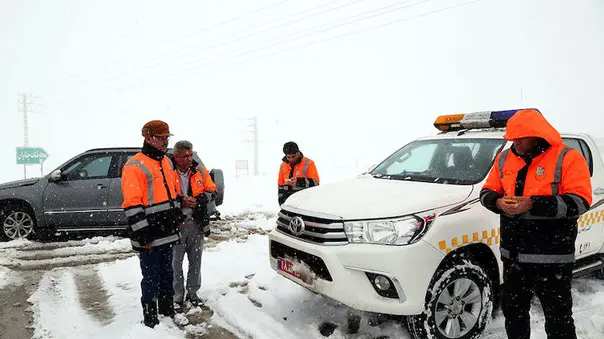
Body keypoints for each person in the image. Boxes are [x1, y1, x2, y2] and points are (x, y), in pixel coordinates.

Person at [480, 109, 592, 339]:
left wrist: (532, 204)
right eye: (512, 138)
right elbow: (486, 191)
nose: (516, 143)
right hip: (513, 258)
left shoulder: (567, 157)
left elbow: (580, 202)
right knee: (514, 315)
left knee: (558, 320)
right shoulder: (504, 159)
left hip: (552, 259)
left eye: (521, 138)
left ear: (538, 135)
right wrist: (498, 202)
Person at [121, 120, 186, 328]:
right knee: (150, 276)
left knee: (168, 272)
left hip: (166, 230)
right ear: (148, 138)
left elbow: (173, 193)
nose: (165, 142)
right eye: (161, 138)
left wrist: (177, 215)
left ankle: (167, 311)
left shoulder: (167, 162)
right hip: (149, 232)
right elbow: (132, 203)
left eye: (167, 138)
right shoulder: (134, 165)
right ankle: (150, 319)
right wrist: (142, 232)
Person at [169, 140, 217, 312]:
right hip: (176, 223)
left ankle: (193, 294)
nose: (189, 159)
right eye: (185, 156)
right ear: (176, 157)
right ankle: (176, 297)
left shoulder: (200, 170)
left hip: (196, 222)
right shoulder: (167, 171)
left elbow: (212, 190)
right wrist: (180, 201)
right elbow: (162, 196)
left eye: (190, 155)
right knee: (175, 263)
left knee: (196, 261)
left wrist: (200, 200)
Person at [278, 141, 320, 205]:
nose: (291, 159)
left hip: (304, 201)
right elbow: (280, 184)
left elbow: (315, 183)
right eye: (288, 157)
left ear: (298, 153)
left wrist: (298, 182)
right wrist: (281, 200)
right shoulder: (283, 165)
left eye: (293, 156)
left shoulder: (309, 163)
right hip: (288, 201)